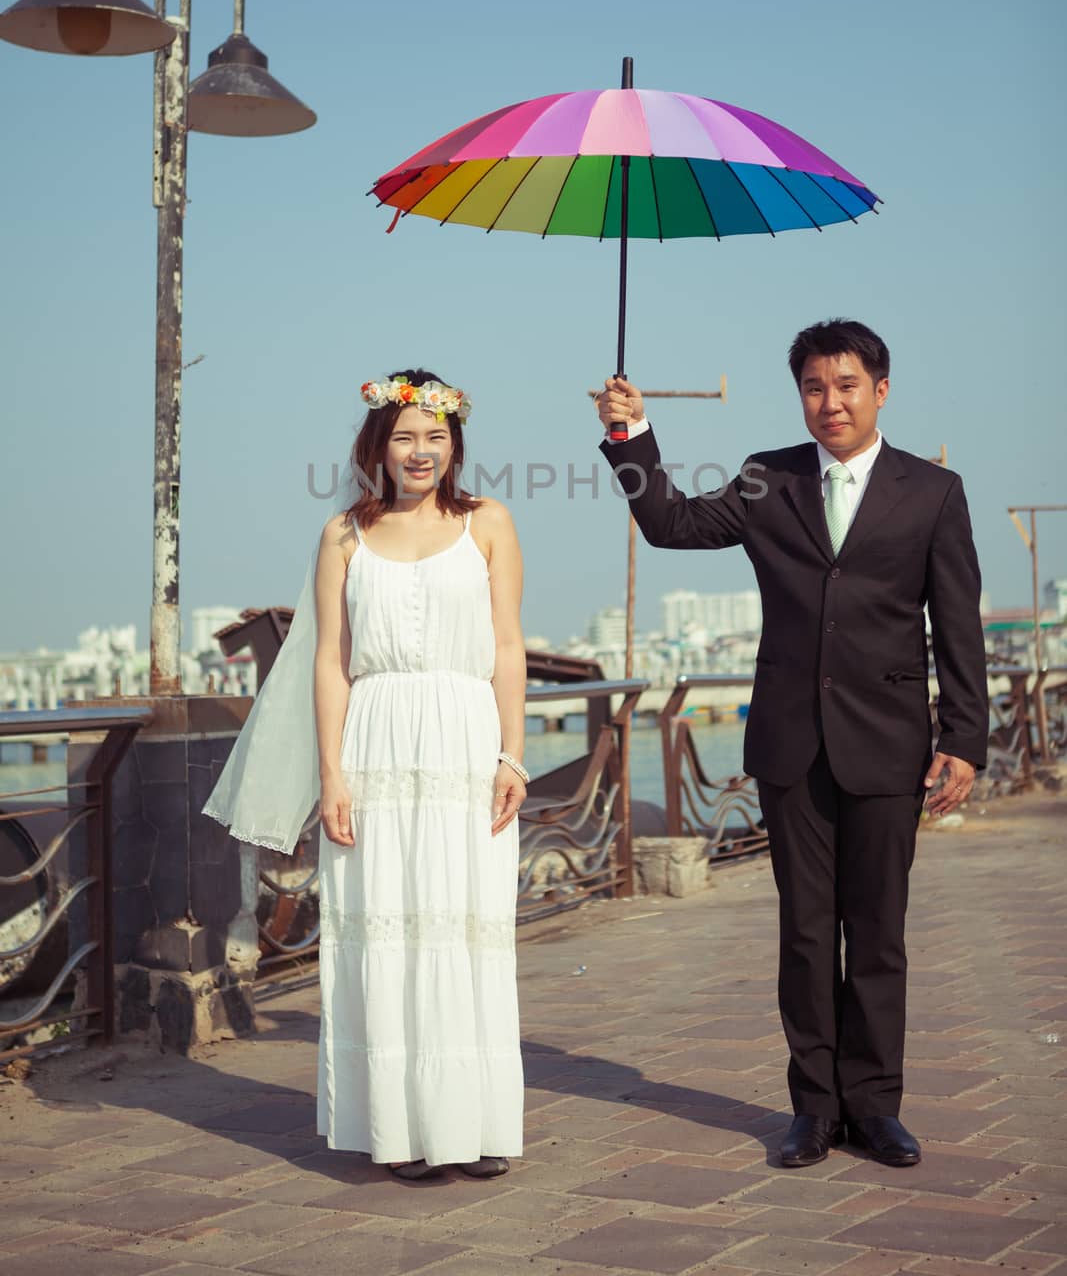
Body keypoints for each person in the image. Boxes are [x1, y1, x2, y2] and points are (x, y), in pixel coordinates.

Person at [594, 319, 988, 1170]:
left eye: (845, 385)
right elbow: (670, 523)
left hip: (889, 741)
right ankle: (811, 1110)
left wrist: (964, 738)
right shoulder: (765, 478)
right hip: (789, 743)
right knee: (806, 933)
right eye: (813, 387)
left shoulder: (932, 491)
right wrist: (629, 435)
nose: (829, 402)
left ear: (879, 390)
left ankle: (876, 1108)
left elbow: (956, 623)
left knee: (877, 932)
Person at [206, 369, 528, 1179]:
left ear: (455, 444)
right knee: (383, 927)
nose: (421, 452)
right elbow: (328, 662)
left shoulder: (488, 522)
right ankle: (397, 1130)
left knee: (462, 930)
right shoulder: (343, 534)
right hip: (375, 745)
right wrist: (331, 774)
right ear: (378, 447)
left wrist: (512, 754)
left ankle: (472, 1124)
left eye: (436, 437)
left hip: (464, 740)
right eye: (405, 437)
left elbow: (508, 647)